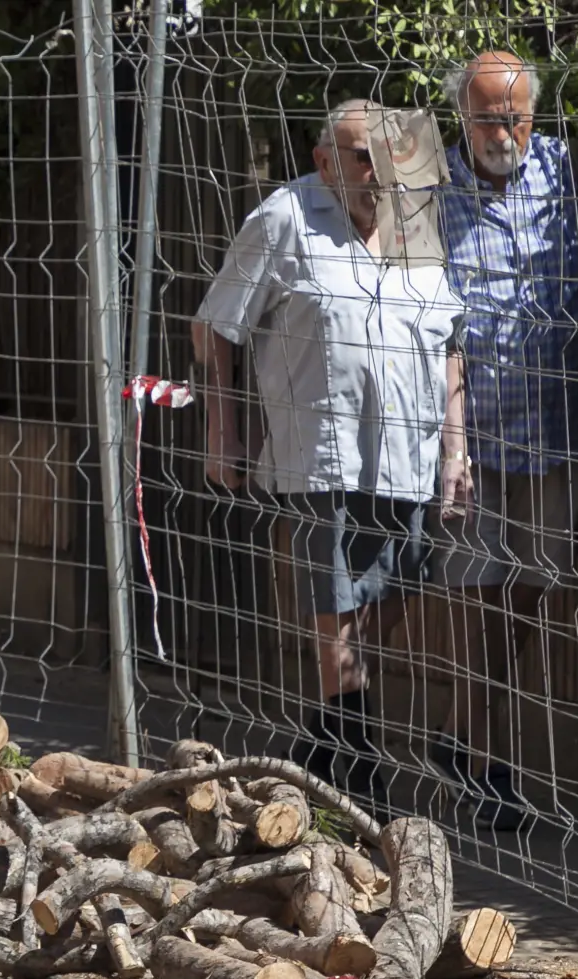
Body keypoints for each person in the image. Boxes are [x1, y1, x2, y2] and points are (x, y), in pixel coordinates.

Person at [190, 98, 472, 804]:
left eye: (391, 155)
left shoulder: (415, 223)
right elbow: (216, 326)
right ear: (324, 162)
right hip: (322, 446)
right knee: (337, 599)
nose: (381, 172)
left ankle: (318, 743)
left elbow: (450, 342)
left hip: (407, 451)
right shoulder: (284, 217)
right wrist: (222, 429)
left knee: (393, 594)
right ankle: (360, 764)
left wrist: (454, 452)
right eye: (362, 157)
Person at [430, 52, 578, 829]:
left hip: (551, 424)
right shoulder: (432, 189)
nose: (505, 132)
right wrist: (447, 442)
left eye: (517, 116)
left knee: (536, 584)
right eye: (488, 117)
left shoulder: (562, 169)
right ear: (461, 119)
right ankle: (487, 770)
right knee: (474, 595)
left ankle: (460, 731)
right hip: (469, 432)